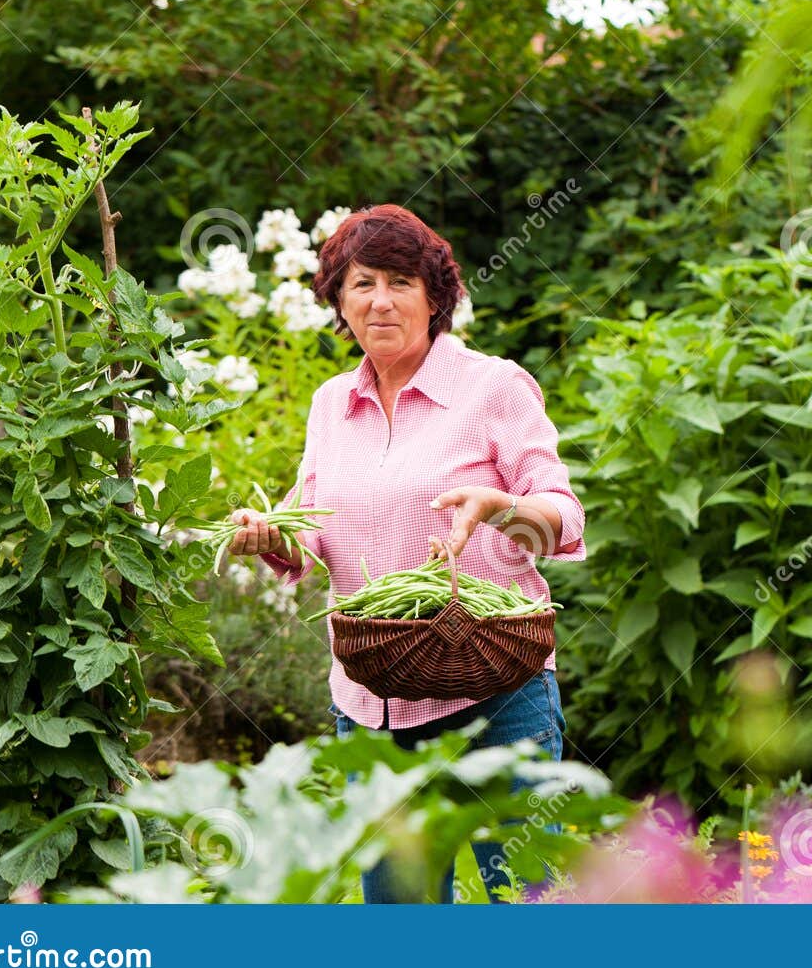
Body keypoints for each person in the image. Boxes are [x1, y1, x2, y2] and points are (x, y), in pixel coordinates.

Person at [226, 203, 586, 903]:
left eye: (400, 281)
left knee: (533, 901)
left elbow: (563, 522)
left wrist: (499, 507)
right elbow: (310, 530)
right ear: (339, 300)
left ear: (435, 295)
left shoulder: (493, 388)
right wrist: (270, 534)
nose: (380, 301)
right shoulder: (332, 404)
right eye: (361, 283)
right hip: (374, 706)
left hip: (497, 698)